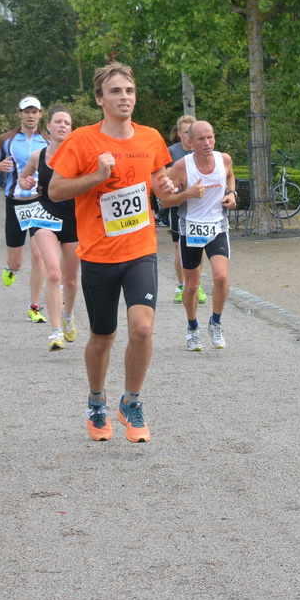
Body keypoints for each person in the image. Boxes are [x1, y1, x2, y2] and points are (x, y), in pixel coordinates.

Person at [49, 63, 177, 443]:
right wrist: (97, 177)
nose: (125, 97)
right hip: (99, 256)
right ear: (100, 99)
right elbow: (56, 191)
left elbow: (161, 186)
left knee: (142, 328)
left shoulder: (151, 138)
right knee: (102, 337)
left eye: (130, 91)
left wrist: (167, 185)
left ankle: (132, 401)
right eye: (117, 91)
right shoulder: (83, 141)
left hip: (140, 250)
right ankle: (95, 401)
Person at [164, 120, 235, 350]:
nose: (207, 143)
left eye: (210, 137)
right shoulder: (181, 166)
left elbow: (230, 176)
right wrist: (188, 193)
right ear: (190, 142)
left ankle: (215, 322)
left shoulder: (223, 159)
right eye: (201, 139)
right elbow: (165, 200)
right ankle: (192, 327)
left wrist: (231, 194)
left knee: (221, 277)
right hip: (191, 229)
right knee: (192, 286)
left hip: (217, 227)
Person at [22, 106, 81, 350]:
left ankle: (67, 316)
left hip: (73, 220)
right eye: (58, 121)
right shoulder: (38, 156)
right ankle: (55, 332)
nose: (62, 126)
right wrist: (25, 181)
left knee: (70, 280)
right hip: (45, 217)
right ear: (48, 126)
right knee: (53, 273)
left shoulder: (80, 156)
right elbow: (23, 179)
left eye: (67, 122)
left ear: (71, 129)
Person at [0, 98, 52, 316]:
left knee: (38, 255)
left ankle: (33, 306)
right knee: (17, 260)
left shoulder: (47, 140)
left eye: (35, 111)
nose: (31, 115)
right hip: (14, 203)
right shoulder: (5, 139)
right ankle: (11, 268)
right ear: (19, 114)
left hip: (39, 202)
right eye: (27, 111)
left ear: (41, 114)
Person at [165, 116, 201, 305]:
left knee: (198, 246)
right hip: (178, 207)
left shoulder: (201, 150)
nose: (189, 136)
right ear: (179, 133)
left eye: (191, 132)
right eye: (186, 132)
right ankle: (181, 286)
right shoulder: (171, 152)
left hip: (198, 208)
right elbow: (164, 177)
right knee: (179, 248)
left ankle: (196, 284)